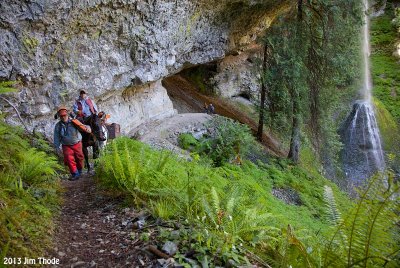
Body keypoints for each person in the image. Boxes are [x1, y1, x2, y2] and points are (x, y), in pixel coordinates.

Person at [54, 106, 84, 180]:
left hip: (77, 143)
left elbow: (83, 128)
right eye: (61, 116)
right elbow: (56, 136)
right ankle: (75, 173)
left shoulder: (74, 122)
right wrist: (57, 146)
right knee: (68, 158)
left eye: (64, 115)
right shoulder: (58, 126)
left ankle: (80, 170)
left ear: (67, 115)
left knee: (79, 158)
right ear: (59, 116)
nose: (63, 117)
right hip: (66, 145)